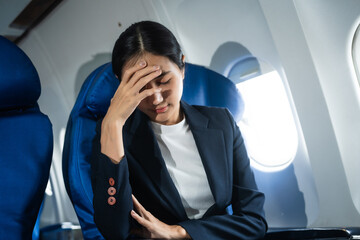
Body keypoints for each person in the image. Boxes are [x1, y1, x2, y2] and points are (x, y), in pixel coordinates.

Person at [91, 21, 267, 240]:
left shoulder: (222, 123)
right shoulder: (115, 137)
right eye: (140, 88)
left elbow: (254, 221)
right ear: (122, 87)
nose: (156, 98)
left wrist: (178, 232)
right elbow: (114, 230)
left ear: (182, 67)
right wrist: (112, 125)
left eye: (164, 81)